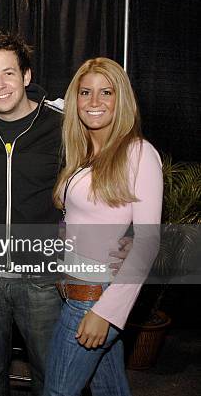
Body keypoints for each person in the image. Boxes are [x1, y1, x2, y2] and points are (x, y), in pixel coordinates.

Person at [43, 57, 163, 396]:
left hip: (95, 300)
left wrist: (107, 313)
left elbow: (148, 242)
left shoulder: (139, 154)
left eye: (105, 92)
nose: (94, 102)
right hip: (74, 292)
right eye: (85, 92)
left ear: (120, 98)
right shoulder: (83, 154)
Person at [0, 29, 64, 396]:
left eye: (8, 73)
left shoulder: (58, 127)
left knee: (49, 375)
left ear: (26, 76)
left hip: (41, 277)